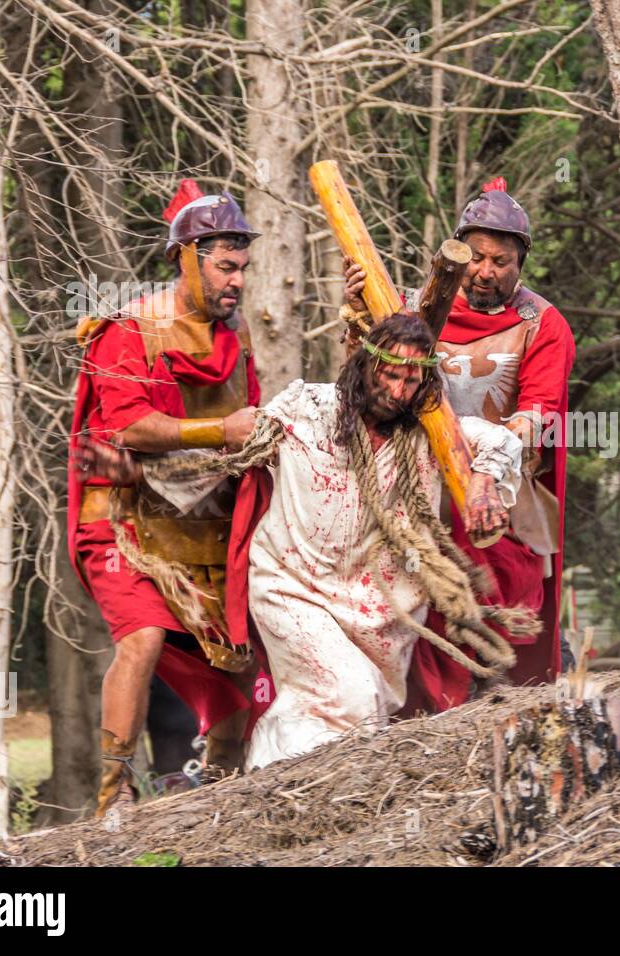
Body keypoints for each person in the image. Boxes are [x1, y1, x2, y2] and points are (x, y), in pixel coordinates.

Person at [80, 314, 529, 770]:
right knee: (348, 695)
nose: (397, 392)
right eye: (389, 375)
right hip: (293, 588)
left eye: (411, 380)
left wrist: (483, 479)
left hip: (382, 609)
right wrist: (141, 474)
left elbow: (501, 443)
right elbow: (226, 457)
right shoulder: (305, 409)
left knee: (360, 711)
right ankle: (274, 787)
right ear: (363, 367)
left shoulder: (431, 431)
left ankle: (272, 792)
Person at [68, 180, 263, 817]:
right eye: (224, 266)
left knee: (239, 652)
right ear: (187, 259)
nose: (236, 280)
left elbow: (249, 426)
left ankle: (223, 787)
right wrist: (221, 433)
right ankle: (114, 792)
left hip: (203, 527)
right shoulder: (127, 330)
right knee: (145, 638)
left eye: (242, 267)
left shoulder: (238, 347)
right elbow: (125, 427)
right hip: (122, 521)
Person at [345, 177, 576, 704]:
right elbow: (369, 376)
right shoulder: (414, 308)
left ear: (521, 264)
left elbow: (538, 410)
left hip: (503, 486)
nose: (486, 271)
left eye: (501, 261)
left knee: (502, 592)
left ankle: (499, 695)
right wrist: (359, 310)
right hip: (416, 481)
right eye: (475, 257)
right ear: (456, 254)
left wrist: (489, 470)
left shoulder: (542, 323)